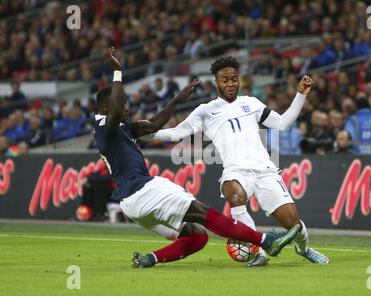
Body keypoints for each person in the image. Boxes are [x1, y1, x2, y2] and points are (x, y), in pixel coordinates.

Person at [95, 48, 300, 269]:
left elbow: (153, 126)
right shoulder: (104, 126)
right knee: (206, 214)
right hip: (144, 189)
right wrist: (117, 72)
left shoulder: (121, 128)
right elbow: (116, 112)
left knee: (197, 237)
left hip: (131, 205)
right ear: (106, 107)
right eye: (123, 103)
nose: (126, 107)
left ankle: (149, 259)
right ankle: (266, 242)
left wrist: (178, 99)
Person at [146, 56, 329, 266]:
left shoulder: (251, 103)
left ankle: (303, 249)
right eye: (225, 79)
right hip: (236, 172)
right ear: (216, 81)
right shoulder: (206, 111)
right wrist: (145, 135)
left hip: (265, 171)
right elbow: (177, 133)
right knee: (233, 193)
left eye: (234, 78)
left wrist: (300, 96)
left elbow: (283, 123)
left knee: (295, 226)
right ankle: (259, 251)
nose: (231, 83)